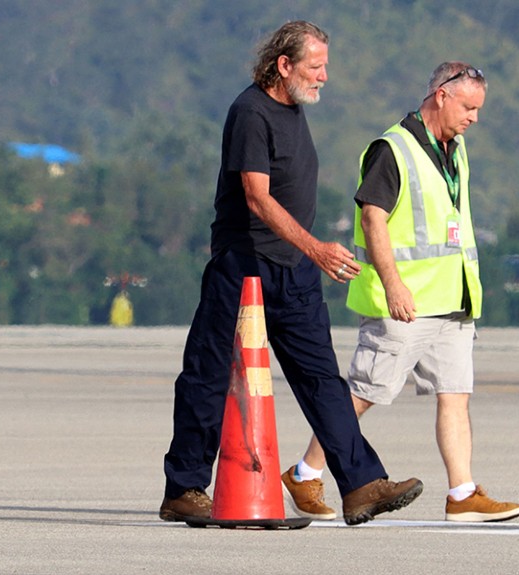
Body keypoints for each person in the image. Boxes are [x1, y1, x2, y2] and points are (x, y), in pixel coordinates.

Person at [159, 21, 423, 526]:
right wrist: (317, 249)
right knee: (208, 377)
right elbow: (257, 197)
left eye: (325, 65)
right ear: (284, 65)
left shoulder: (294, 110)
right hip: (244, 267)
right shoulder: (250, 112)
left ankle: (361, 485)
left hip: (294, 272)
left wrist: (308, 256)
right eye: (315, 66)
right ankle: (184, 487)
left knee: (322, 378)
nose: (324, 76)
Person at [281, 62, 519, 523]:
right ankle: (305, 472)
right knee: (366, 390)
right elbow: (373, 219)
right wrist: (394, 285)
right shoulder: (393, 149)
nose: (474, 117)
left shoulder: (456, 148)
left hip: (452, 298)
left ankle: (462, 492)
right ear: (441, 96)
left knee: (455, 392)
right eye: (468, 107)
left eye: (478, 109)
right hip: (406, 302)